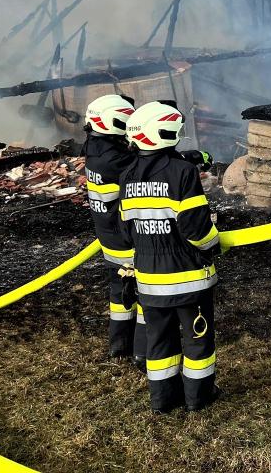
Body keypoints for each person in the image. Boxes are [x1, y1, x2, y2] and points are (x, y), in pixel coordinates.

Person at [119, 101, 222, 413]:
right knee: (197, 339)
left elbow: (126, 231)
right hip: (188, 279)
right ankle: (198, 397)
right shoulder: (183, 172)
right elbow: (195, 228)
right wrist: (214, 244)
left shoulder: (127, 175)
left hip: (150, 281)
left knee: (160, 341)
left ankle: (163, 400)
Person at [82, 93, 146, 367]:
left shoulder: (94, 146)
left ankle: (119, 346)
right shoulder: (115, 160)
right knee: (145, 293)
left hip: (108, 234)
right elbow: (147, 168)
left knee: (120, 292)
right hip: (126, 239)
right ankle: (143, 351)